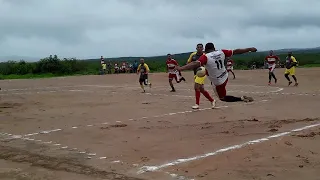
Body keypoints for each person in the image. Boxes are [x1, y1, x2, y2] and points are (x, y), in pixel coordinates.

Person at [175, 42, 256, 107]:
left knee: (222, 98)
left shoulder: (206, 57)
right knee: (205, 71)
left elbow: (195, 64)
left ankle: (241, 98)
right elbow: (236, 51)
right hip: (225, 76)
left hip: (218, 83)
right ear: (214, 48)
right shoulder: (221, 52)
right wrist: (249, 49)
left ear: (205, 50)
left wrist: (181, 68)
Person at [187, 43, 215, 109]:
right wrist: (190, 66)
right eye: (198, 47)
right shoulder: (193, 55)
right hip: (195, 74)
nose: (199, 48)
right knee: (201, 89)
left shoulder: (205, 55)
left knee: (196, 87)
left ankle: (197, 104)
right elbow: (188, 62)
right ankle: (212, 100)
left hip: (202, 73)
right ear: (196, 48)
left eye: (201, 47)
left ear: (203, 49)